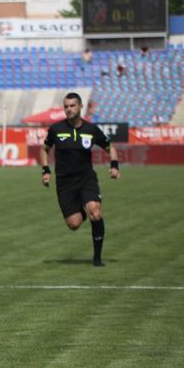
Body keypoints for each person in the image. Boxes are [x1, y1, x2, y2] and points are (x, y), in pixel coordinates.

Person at [39, 92, 120, 267]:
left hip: (86, 179)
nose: (69, 109)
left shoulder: (91, 130)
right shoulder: (56, 129)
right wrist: (45, 170)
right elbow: (44, 149)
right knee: (74, 224)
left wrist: (114, 165)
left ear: (81, 107)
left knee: (95, 211)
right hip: (64, 183)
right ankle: (82, 211)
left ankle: (97, 258)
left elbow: (110, 147)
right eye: (66, 106)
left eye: (72, 105)